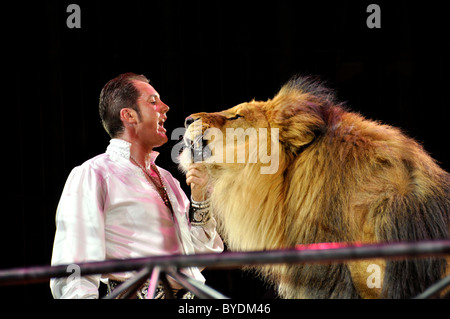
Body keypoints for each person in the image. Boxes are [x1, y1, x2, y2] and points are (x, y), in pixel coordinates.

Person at [50, 72, 223, 299]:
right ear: (129, 115)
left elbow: (199, 255)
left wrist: (201, 199)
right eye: (153, 101)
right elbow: (73, 265)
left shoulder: (168, 180)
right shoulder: (94, 174)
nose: (165, 107)